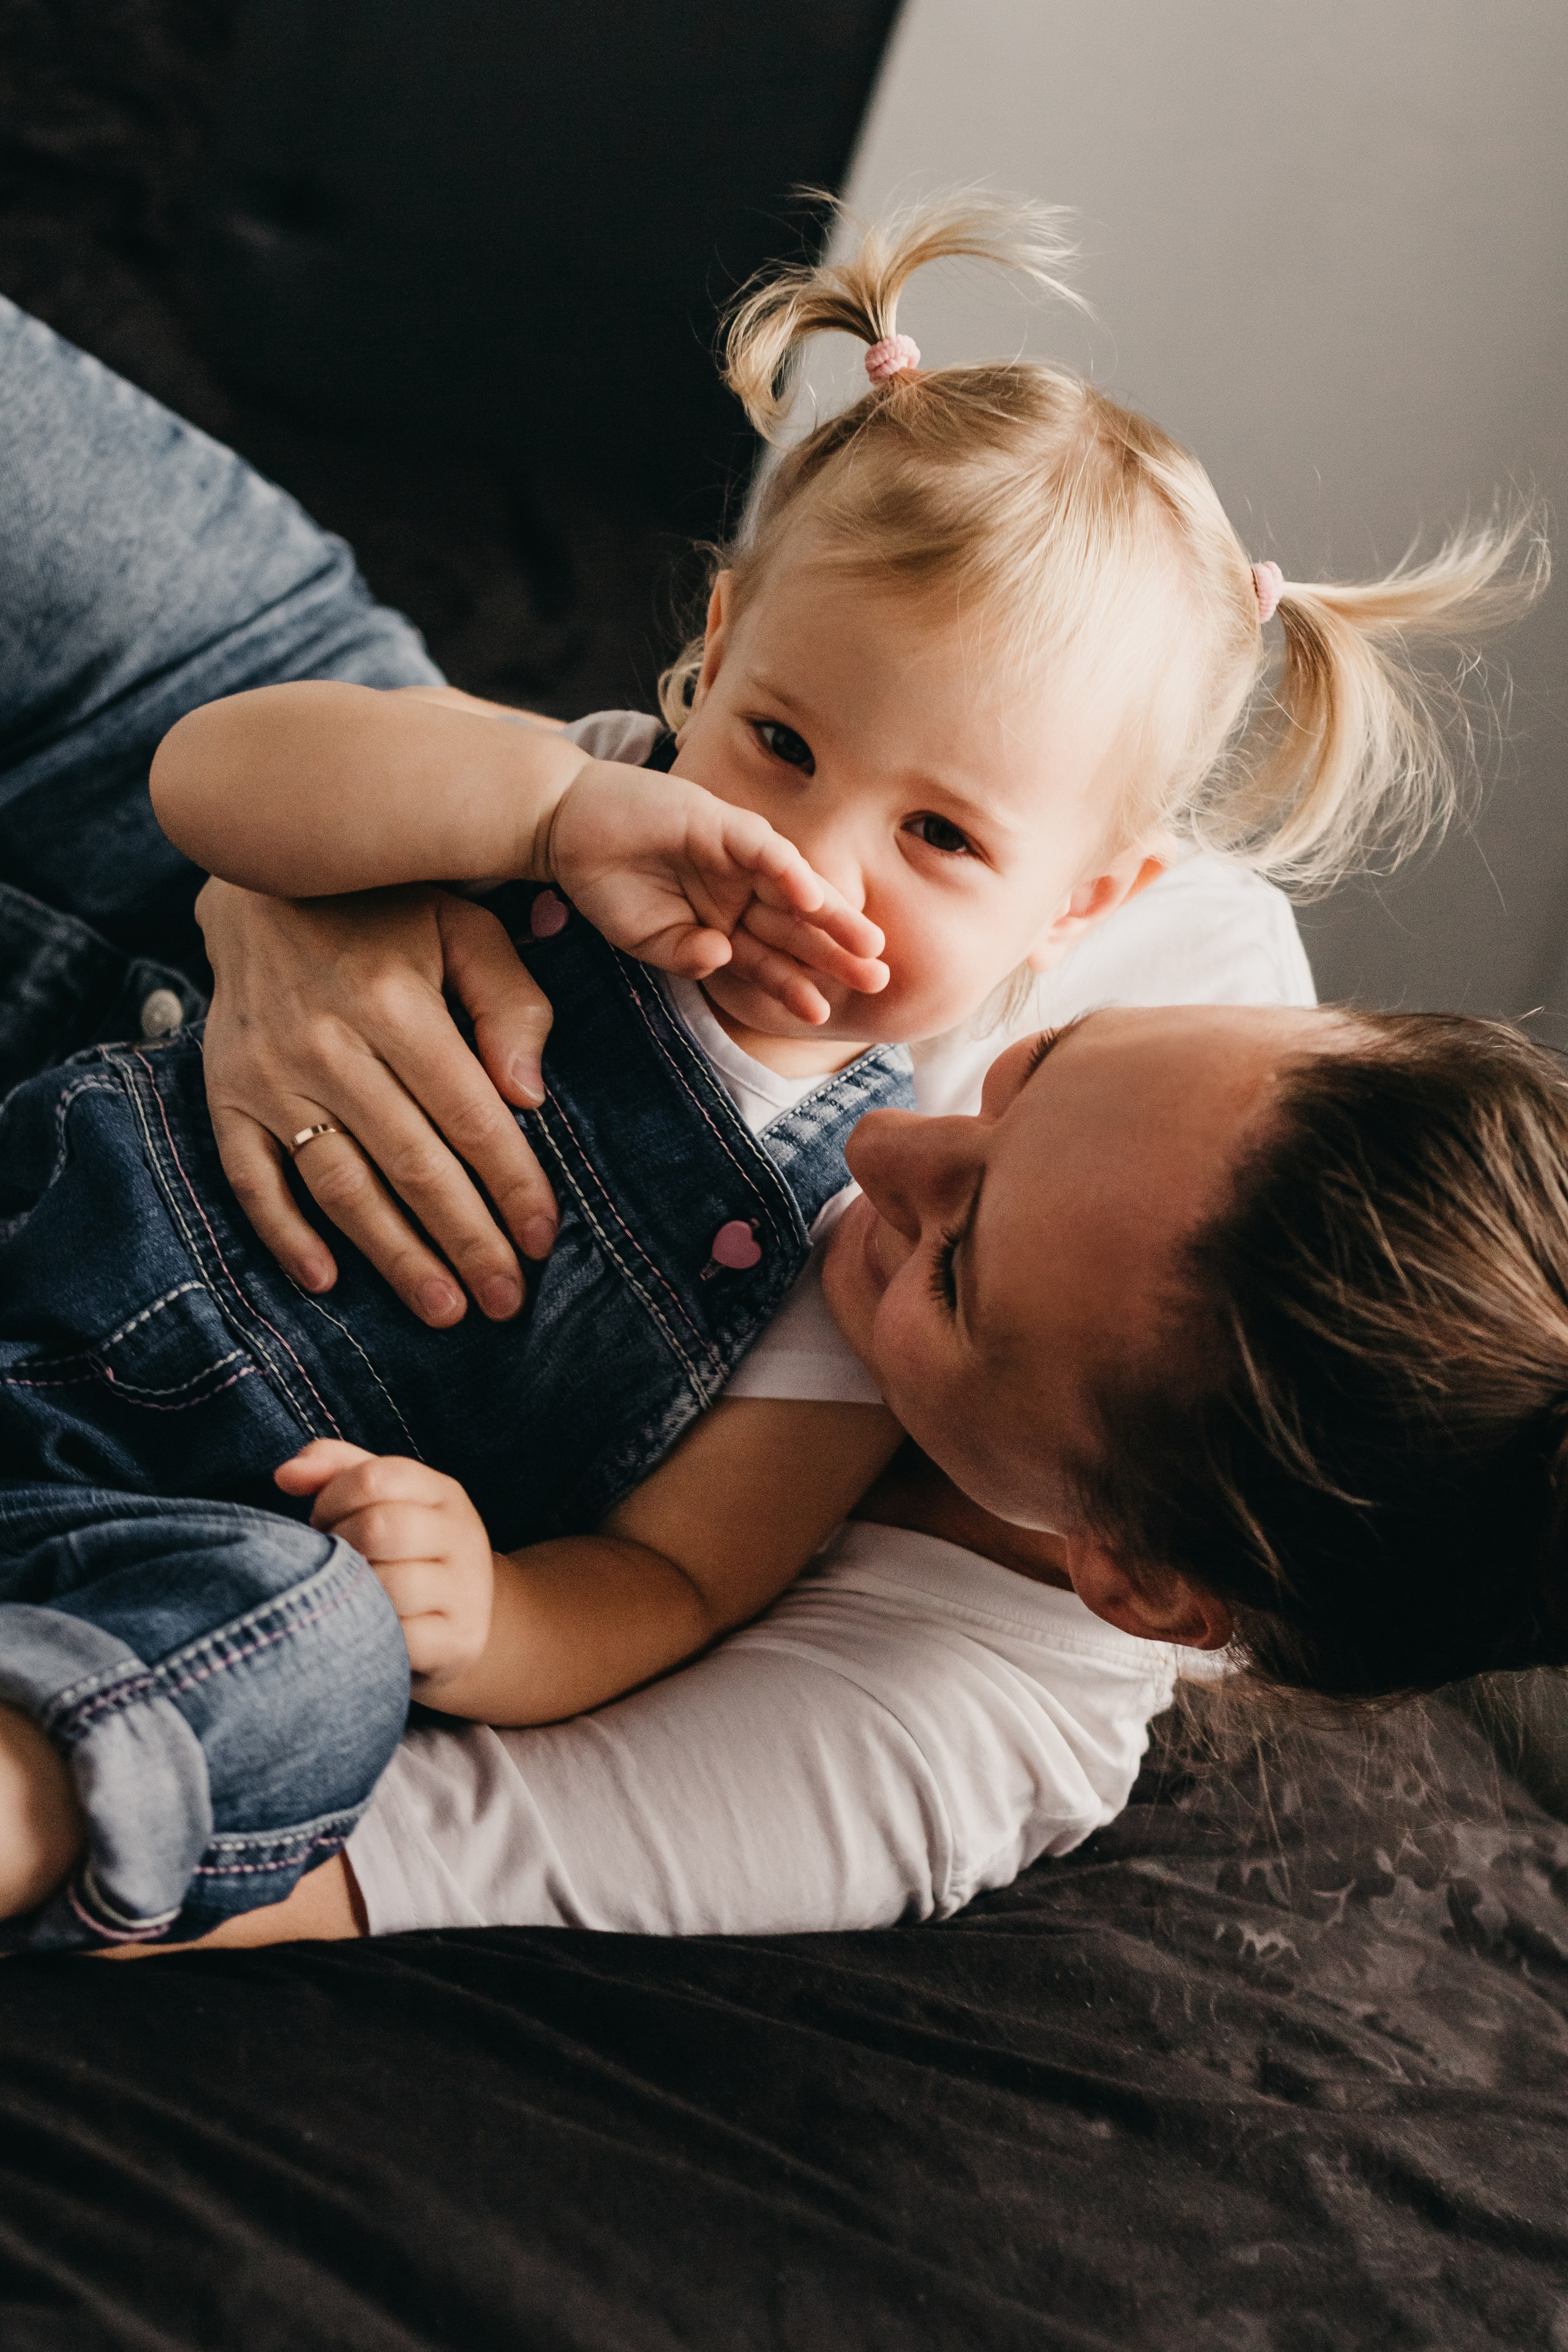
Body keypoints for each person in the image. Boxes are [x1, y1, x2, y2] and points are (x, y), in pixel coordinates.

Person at [0, 198, 1540, 1954]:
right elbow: (221, 777)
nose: (897, 1155)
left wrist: (478, 1619)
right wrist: (448, 839)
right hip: (93, 1118)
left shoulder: (913, 1720)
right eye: (1032, 1073)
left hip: (166, 1488)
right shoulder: (1175, 968)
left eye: (957, 1274)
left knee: (310, 1656)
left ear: (1144, 1582)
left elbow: (638, 1606)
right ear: (715, 645)